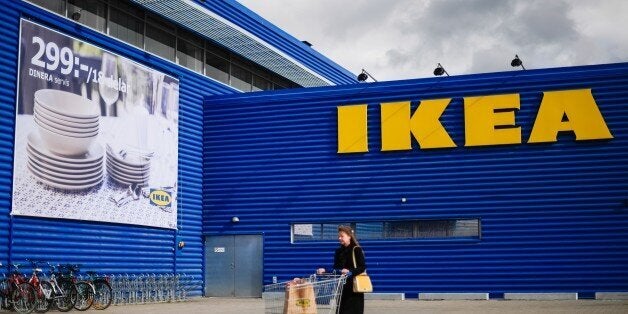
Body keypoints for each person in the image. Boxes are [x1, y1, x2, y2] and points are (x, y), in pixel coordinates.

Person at [317, 225, 366, 314]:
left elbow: (362, 267)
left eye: (342, 236)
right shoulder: (338, 252)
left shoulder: (356, 250)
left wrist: (350, 272)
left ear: (349, 236)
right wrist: (325, 270)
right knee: (341, 310)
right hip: (341, 288)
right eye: (338, 236)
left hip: (354, 288)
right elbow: (336, 268)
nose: (339, 238)